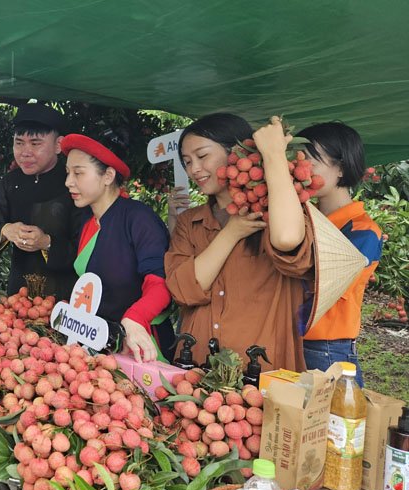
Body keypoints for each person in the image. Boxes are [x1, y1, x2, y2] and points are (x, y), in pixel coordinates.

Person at [166, 114, 313, 371]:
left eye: (202, 156)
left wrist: (273, 155)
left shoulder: (276, 215)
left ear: (235, 152)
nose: (194, 170)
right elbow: (182, 291)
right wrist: (232, 233)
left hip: (262, 371)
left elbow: (288, 239)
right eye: (187, 162)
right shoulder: (189, 222)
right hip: (196, 365)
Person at [60, 134, 174, 362]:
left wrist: (135, 318)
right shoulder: (87, 222)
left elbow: (160, 283)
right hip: (99, 344)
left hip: (140, 346)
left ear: (108, 176)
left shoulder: (139, 219)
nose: (68, 182)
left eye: (78, 173)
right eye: (68, 172)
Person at [298, 123, 381, 385]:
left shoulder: (364, 232)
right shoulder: (301, 219)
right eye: (298, 160)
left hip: (326, 350)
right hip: (290, 342)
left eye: (311, 161)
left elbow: (321, 281)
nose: (301, 170)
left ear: (341, 168)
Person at [0, 104, 87, 302]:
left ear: (58, 145)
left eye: (35, 144)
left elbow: (87, 246)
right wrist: (6, 230)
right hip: (18, 293)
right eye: (19, 143)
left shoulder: (74, 185)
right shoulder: (9, 184)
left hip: (66, 295)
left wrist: (46, 243)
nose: (25, 152)